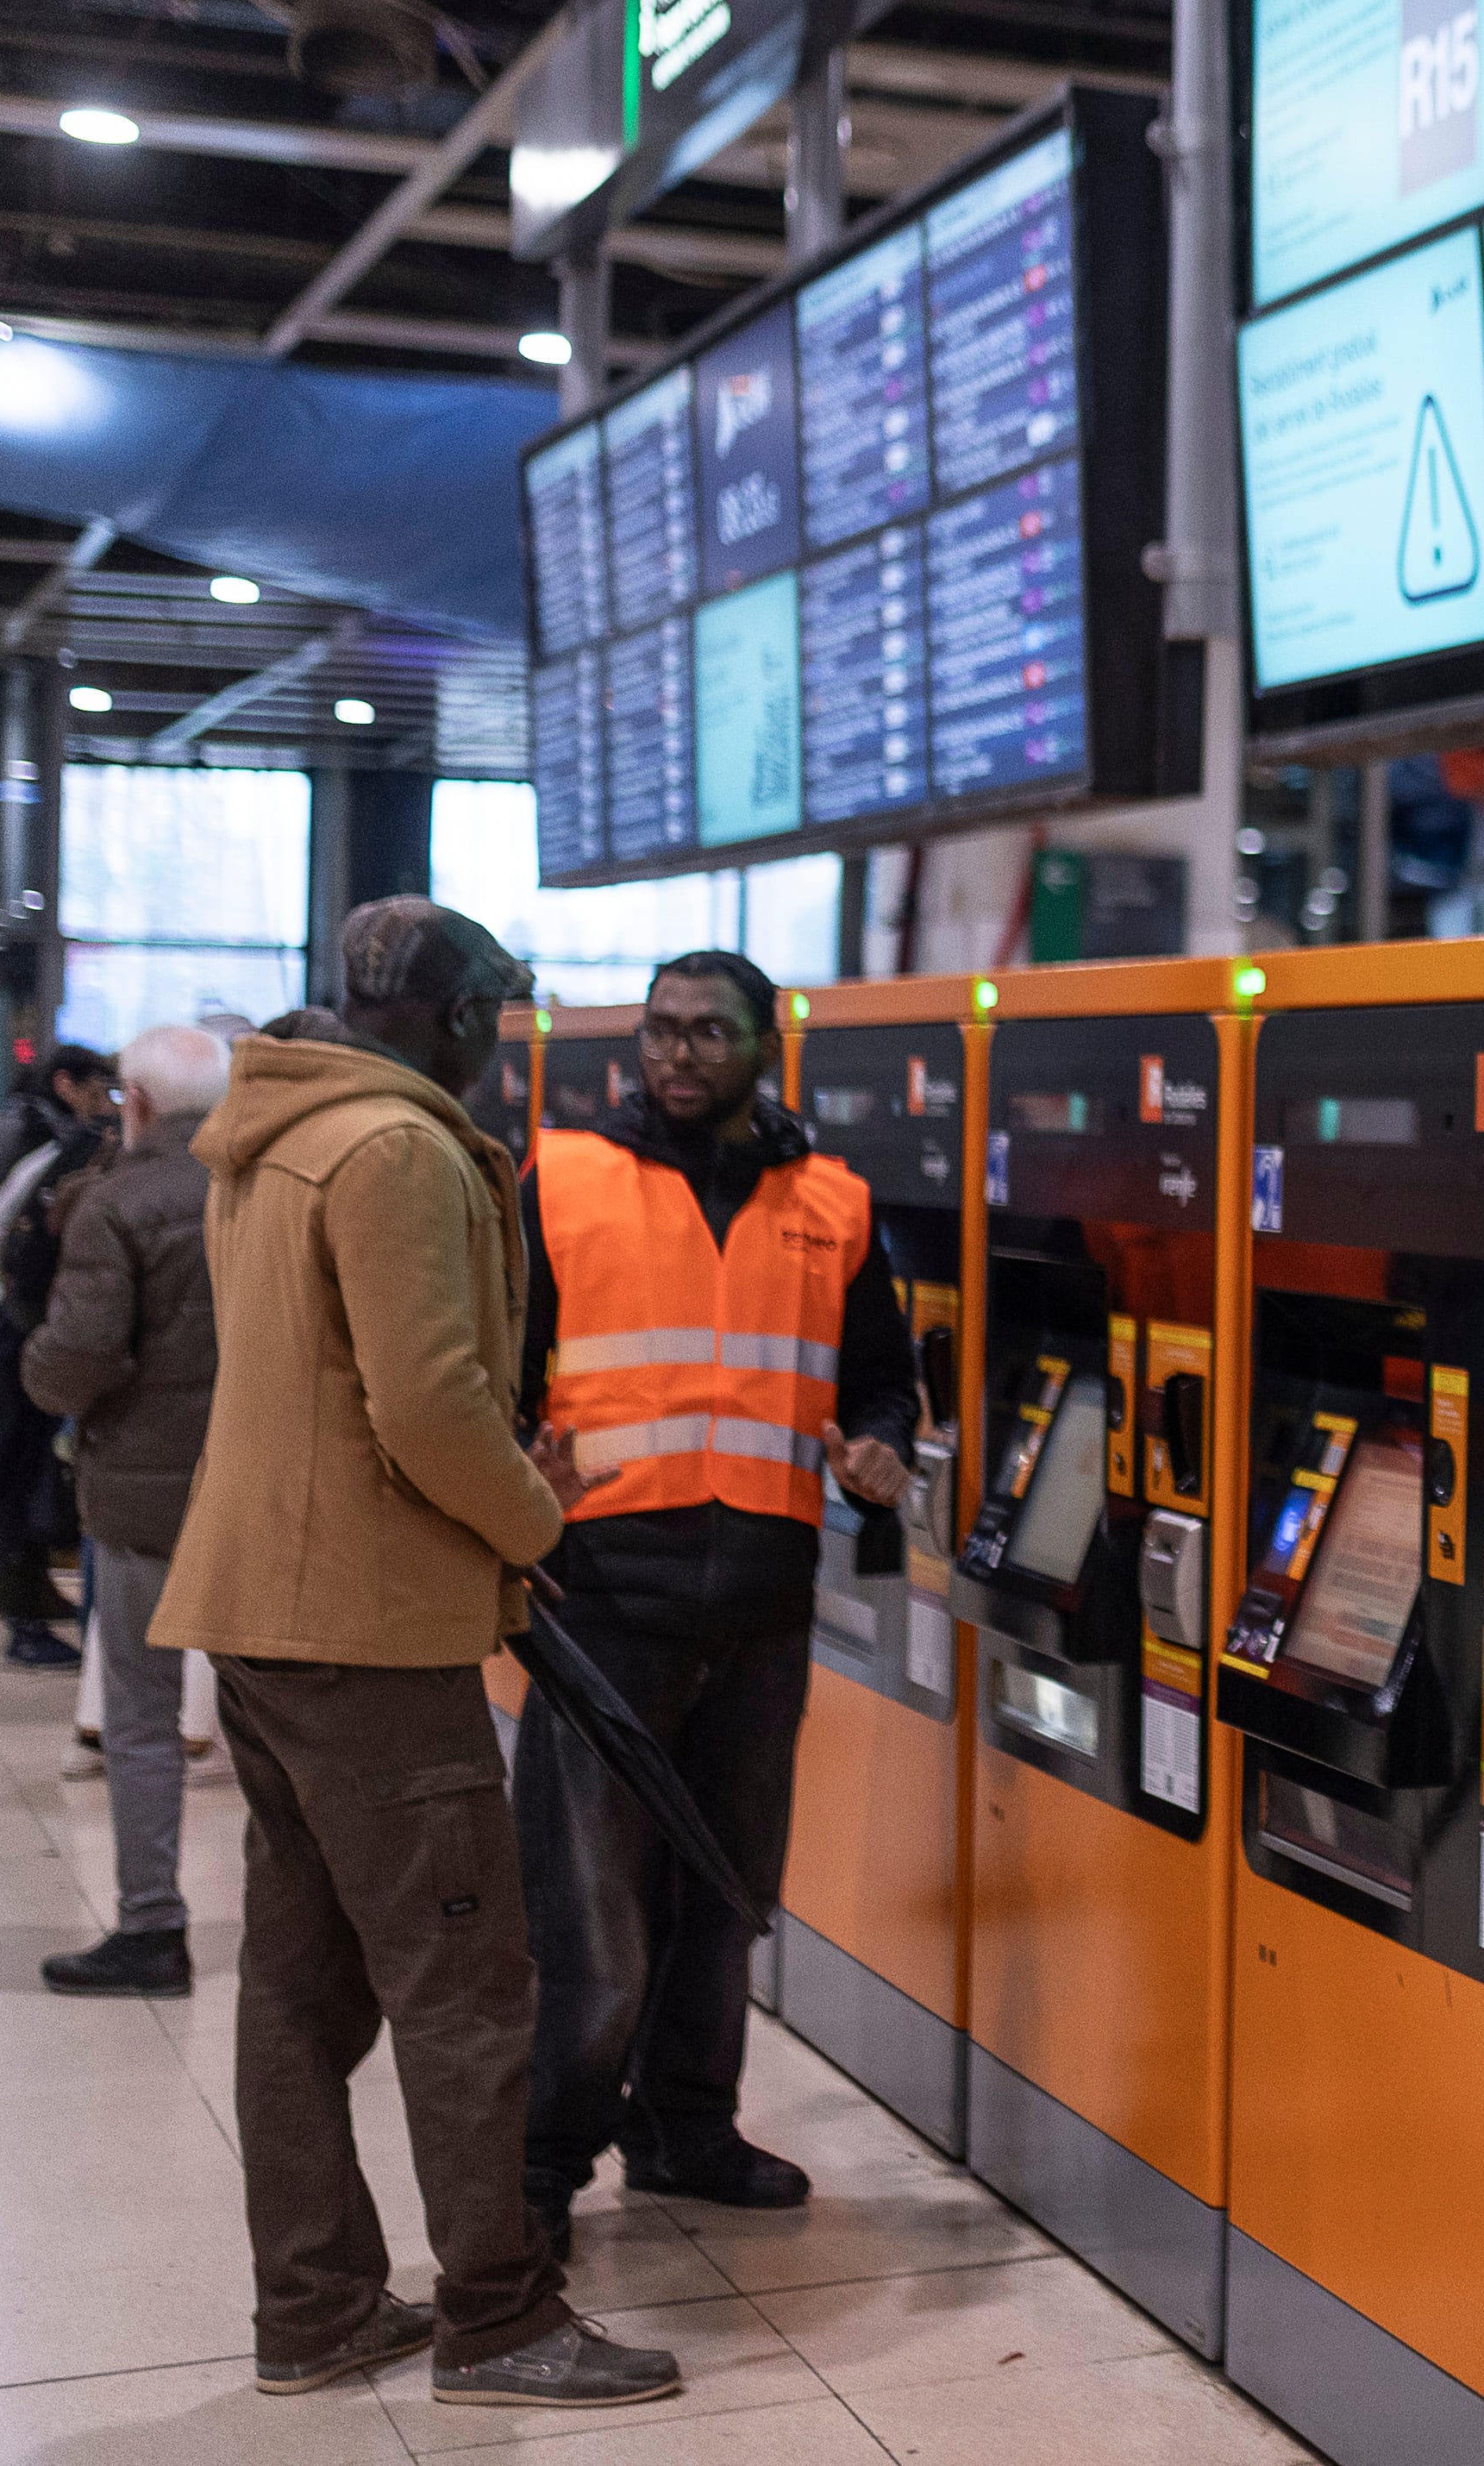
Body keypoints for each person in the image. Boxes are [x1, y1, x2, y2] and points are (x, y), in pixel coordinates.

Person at [156, 900, 683, 2412]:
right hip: (368, 1628)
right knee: (467, 1978)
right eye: (499, 1020)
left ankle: (314, 2302)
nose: (506, 1048)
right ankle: (501, 2310)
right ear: (462, 1018)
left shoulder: (274, 1136)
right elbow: (432, 1404)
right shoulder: (397, 1149)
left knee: (303, 1981)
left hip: (266, 1606)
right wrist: (533, 1522)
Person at [514, 950, 916, 2256]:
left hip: (761, 1605)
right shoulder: (564, 1179)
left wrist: (881, 1444)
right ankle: (540, 2170)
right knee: (594, 1914)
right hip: (602, 1603)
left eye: (708, 1033)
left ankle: (688, 2129)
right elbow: (497, 1367)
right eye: (661, 1033)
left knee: (726, 1896)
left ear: (765, 1042)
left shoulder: (835, 1205)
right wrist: (514, 1466)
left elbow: (883, 1379)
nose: (678, 1055)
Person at [21, 1021, 233, 1996]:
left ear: (134, 1101)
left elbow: (74, 1360)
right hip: (256, 1494)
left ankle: (153, 1927)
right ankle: (301, 1938)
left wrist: (39, 1370)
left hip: (143, 1495)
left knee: (144, 1716)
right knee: (272, 1723)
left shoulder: (120, 1202)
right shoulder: (264, 1195)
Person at [0, 1045, 111, 1666]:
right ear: (67, 1083)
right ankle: (21, 1615)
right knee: (16, 1471)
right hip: (23, 1330)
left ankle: (11, 1596)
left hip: (12, 1323)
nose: (104, 1102)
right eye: (97, 1089)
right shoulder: (47, 1141)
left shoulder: (5, 1127)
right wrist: (23, 1305)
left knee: (2, 1467)